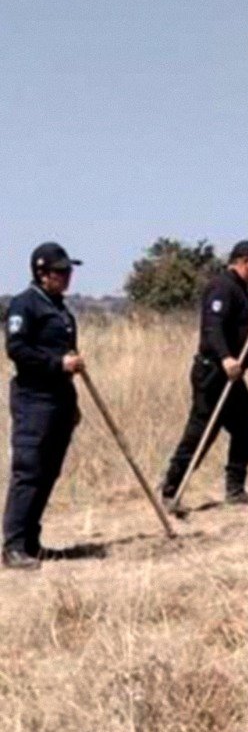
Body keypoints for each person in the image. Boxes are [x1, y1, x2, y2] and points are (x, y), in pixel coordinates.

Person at [160, 240, 248, 508]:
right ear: (245, 261)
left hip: (233, 378)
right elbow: (213, 327)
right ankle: (170, 491)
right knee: (200, 434)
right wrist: (226, 357)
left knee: (246, 431)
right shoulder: (222, 286)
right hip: (214, 373)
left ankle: (235, 490)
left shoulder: (241, 290)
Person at [3, 243, 84, 570]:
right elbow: (17, 349)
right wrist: (57, 364)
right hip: (34, 399)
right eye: (60, 272)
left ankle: (31, 541)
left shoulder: (60, 308)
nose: (67, 277)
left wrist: (72, 398)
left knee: (49, 470)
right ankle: (13, 546)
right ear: (42, 273)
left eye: (69, 271)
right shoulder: (25, 305)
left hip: (59, 399)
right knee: (30, 469)